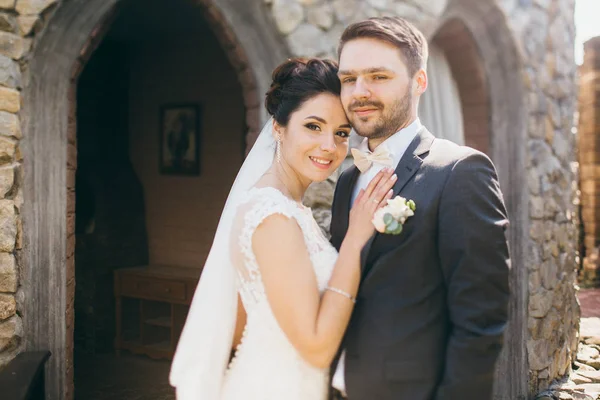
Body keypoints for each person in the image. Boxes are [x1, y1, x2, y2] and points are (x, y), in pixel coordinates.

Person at [169, 58, 397, 400]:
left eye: (341, 133)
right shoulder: (272, 215)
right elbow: (317, 349)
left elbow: (242, 322)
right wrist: (355, 239)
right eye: (313, 126)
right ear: (278, 128)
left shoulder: (285, 208)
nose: (329, 147)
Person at [329, 17, 511, 400]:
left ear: (419, 82)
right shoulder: (347, 179)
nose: (359, 92)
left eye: (378, 76)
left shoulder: (461, 171)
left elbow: (480, 322)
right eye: (348, 79)